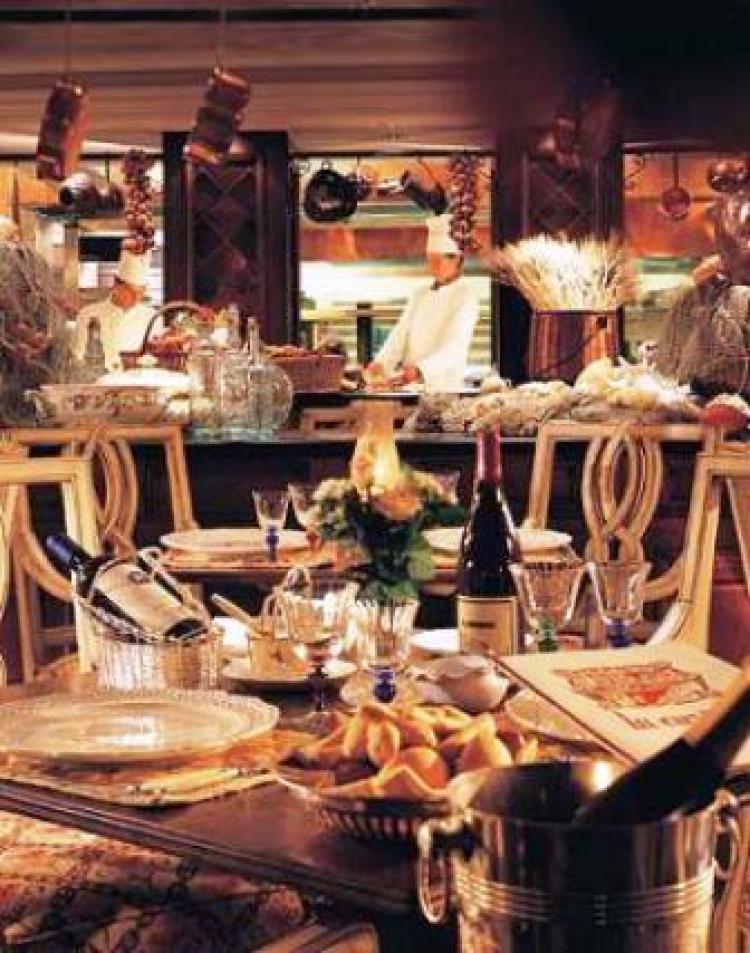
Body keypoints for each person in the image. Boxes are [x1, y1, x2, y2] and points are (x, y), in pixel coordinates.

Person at [367, 214, 480, 392]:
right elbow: (400, 334)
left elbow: (454, 348)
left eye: (439, 260)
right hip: (410, 388)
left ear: (457, 259)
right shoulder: (419, 294)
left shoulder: (466, 296)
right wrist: (380, 363)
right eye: (431, 260)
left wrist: (420, 370)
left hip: (443, 389)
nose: (434, 267)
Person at [74, 247, 156, 371]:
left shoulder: (151, 316)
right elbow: (78, 358)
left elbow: (153, 360)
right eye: (131, 292)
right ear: (116, 284)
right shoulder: (88, 313)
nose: (136, 299)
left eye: (140, 293)